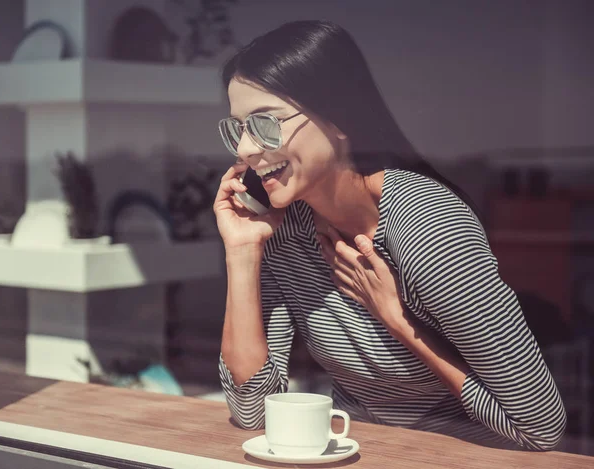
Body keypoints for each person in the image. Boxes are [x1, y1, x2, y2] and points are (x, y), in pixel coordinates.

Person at [212, 20, 566, 451]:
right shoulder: (285, 228)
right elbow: (253, 411)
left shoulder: (427, 226)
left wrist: (400, 321)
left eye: (265, 123)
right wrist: (243, 252)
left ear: (338, 117)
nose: (245, 149)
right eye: (238, 128)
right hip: (358, 451)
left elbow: (539, 426)